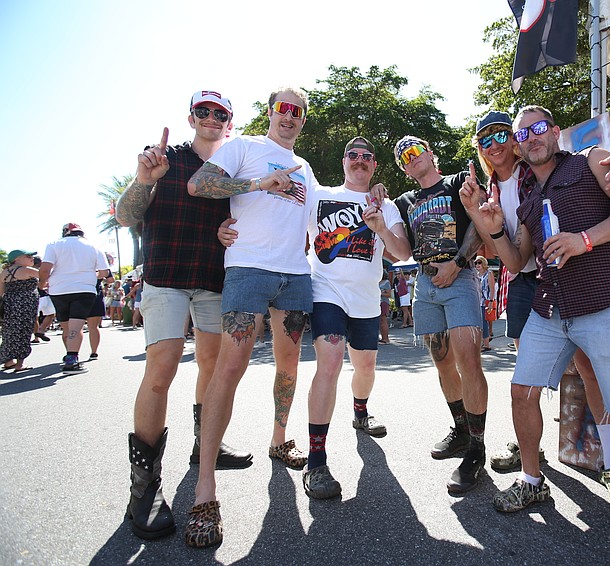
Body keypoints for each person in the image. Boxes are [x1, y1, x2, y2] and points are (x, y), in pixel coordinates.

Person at [464, 105, 610, 539]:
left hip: (603, 302)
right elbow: (518, 260)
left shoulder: (590, 161)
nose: (531, 137)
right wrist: (493, 229)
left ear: (555, 132)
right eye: (524, 134)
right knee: (522, 389)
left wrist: (585, 239)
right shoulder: (526, 201)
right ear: (519, 147)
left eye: (538, 128)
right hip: (550, 308)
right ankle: (533, 481)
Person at [220, 136, 410, 500]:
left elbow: (400, 253)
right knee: (331, 361)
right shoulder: (318, 195)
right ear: (343, 162)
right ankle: (317, 461)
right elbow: (273, 209)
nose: (359, 160)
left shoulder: (383, 205)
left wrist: (381, 228)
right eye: (353, 155)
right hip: (326, 292)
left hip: (367, 300)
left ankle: (360, 410)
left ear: (374, 166)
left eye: (367, 157)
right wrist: (225, 227)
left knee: (365, 369)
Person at [115, 90, 253, 540]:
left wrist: (229, 231)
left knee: (213, 369)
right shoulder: (165, 159)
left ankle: (203, 446)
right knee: (162, 370)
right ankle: (144, 487)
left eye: (221, 113)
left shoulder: (235, 164)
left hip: (214, 281)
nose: (212, 118)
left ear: (230, 123)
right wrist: (142, 179)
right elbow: (125, 215)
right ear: (191, 116)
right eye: (203, 111)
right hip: (166, 276)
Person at [185, 86, 317, 548]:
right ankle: (205, 487)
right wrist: (257, 185)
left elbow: (319, 222)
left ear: (304, 120)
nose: (290, 117)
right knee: (230, 368)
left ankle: (279, 439)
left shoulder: (308, 169)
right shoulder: (243, 147)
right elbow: (199, 184)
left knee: (289, 365)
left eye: (298, 112)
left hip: (295, 276)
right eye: (283, 108)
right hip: (248, 270)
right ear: (270, 112)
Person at [392, 135, 488, 494]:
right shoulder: (404, 202)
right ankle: (461, 430)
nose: (411, 156)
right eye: (404, 156)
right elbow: (399, 245)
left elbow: (480, 225)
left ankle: (477, 449)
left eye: (416, 149)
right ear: (404, 168)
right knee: (442, 360)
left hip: (459, 278)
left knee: (468, 361)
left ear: (431, 153)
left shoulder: (457, 182)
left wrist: (458, 263)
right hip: (424, 284)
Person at [39, 223, 109, 375]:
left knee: (66, 327)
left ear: (66, 232)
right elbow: (104, 272)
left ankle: (70, 354)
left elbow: (45, 269)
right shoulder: (93, 246)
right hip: (84, 289)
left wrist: (42, 284)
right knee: (76, 327)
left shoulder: (54, 244)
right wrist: (89, 275)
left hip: (59, 290)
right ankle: (72, 360)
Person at [0, 250, 40, 372]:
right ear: (16, 259)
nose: (31, 258)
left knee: (9, 333)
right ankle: (20, 364)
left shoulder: (4, 272)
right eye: (28, 256)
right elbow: (47, 276)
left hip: (9, 304)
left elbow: (1, 292)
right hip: (25, 304)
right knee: (24, 331)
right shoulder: (27, 270)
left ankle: (8, 360)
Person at [85, 269, 114, 360]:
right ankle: (94, 352)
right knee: (93, 327)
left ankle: (72, 354)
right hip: (94, 293)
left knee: (75, 326)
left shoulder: (72, 258)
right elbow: (110, 280)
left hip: (74, 293)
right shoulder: (99, 261)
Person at [474, 256, 495, 351]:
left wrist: (491, 301)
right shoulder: (476, 274)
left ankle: (486, 344)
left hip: (485, 302)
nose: (477, 265)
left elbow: (492, 288)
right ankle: (481, 343)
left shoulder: (488, 273)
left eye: (479, 262)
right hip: (476, 302)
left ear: (484, 263)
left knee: (484, 323)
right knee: (478, 323)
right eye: (476, 263)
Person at [378, 271, 391, 344]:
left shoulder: (386, 282)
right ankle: (382, 337)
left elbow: (389, 294)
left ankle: (385, 339)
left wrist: (379, 292)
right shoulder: (378, 282)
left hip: (383, 302)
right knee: (380, 321)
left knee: (383, 320)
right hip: (377, 303)